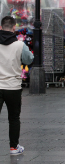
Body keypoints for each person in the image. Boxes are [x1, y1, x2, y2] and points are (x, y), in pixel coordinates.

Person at [0, 16, 34, 155]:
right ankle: (14, 147)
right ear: (14, 28)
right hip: (13, 87)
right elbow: (29, 59)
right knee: (14, 118)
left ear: (1, 27)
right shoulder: (20, 45)